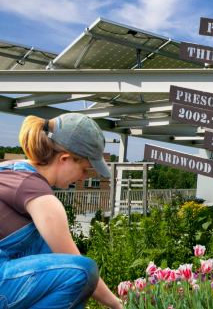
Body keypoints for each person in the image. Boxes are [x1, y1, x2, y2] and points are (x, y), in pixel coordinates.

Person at [0, 114, 122, 309]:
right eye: (84, 169)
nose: (83, 178)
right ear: (64, 159)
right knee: (83, 271)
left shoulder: (9, 169)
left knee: (45, 244)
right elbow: (76, 264)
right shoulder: (42, 198)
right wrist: (118, 305)